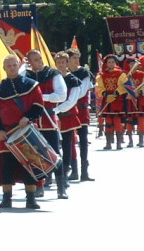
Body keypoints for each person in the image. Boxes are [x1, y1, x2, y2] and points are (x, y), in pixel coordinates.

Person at [0, 54, 46, 210]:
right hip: (6, 134)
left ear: (18, 66)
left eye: (14, 65)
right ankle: (7, 198)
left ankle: (31, 198)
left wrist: (28, 117)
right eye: (9, 66)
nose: (12, 68)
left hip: (26, 131)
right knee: (7, 166)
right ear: (4, 68)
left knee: (29, 164)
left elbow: (38, 105)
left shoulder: (31, 85)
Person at [24, 49, 68, 199]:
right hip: (33, 121)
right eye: (35, 59)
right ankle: (39, 186)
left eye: (40, 58)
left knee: (55, 152)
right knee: (35, 154)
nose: (39, 61)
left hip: (48, 118)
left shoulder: (53, 74)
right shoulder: (26, 75)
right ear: (29, 62)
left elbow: (61, 94)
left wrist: (41, 97)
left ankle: (61, 188)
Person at [53, 52, 83, 199]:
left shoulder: (73, 80)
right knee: (52, 147)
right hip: (53, 117)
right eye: (58, 63)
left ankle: (64, 176)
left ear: (67, 63)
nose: (61, 65)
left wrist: (57, 109)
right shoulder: (53, 78)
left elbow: (72, 100)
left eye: (63, 62)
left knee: (66, 146)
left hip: (67, 117)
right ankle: (50, 175)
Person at [67, 49, 94, 181]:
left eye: (78, 58)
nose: (77, 61)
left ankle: (84, 171)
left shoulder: (84, 73)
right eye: (74, 58)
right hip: (68, 110)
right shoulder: (63, 73)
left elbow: (82, 92)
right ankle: (74, 170)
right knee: (70, 140)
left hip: (81, 110)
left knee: (83, 140)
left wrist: (67, 98)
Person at [95, 55, 128, 150]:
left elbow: (123, 86)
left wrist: (116, 93)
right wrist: (105, 94)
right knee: (108, 122)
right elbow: (99, 87)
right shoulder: (101, 75)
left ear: (115, 63)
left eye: (113, 62)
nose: (111, 64)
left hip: (118, 100)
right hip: (107, 100)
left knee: (117, 121)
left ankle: (118, 143)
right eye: (109, 62)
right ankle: (108, 143)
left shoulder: (121, 74)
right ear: (106, 63)